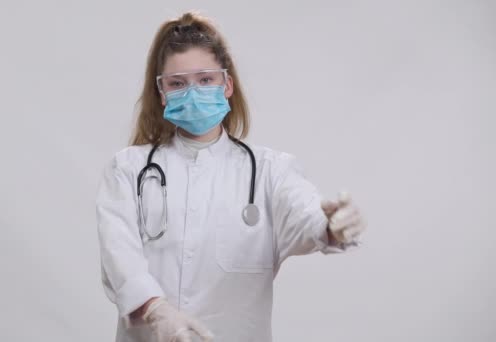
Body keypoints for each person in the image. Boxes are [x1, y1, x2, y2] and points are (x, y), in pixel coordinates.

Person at [96, 11, 367, 342]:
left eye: (205, 79)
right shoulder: (128, 170)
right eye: (177, 83)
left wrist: (331, 225)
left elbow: (304, 214)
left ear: (227, 85)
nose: (192, 92)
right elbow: (119, 257)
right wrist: (157, 310)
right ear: (162, 93)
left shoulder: (270, 171)